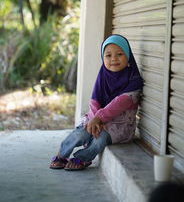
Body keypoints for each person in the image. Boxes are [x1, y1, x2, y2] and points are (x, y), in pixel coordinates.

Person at [49, 34, 143, 171]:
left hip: (119, 125)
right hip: (96, 119)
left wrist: (98, 119)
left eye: (120, 54)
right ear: (103, 58)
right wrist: (94, 120)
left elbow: (120, 103)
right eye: (108, 55)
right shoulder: (102, 76)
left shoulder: (134, 80)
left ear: (128, 56)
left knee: (101, 139)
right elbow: (94, 100)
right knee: (80, 133)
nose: (114, 59)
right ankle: (61, 155)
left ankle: (82, 158)